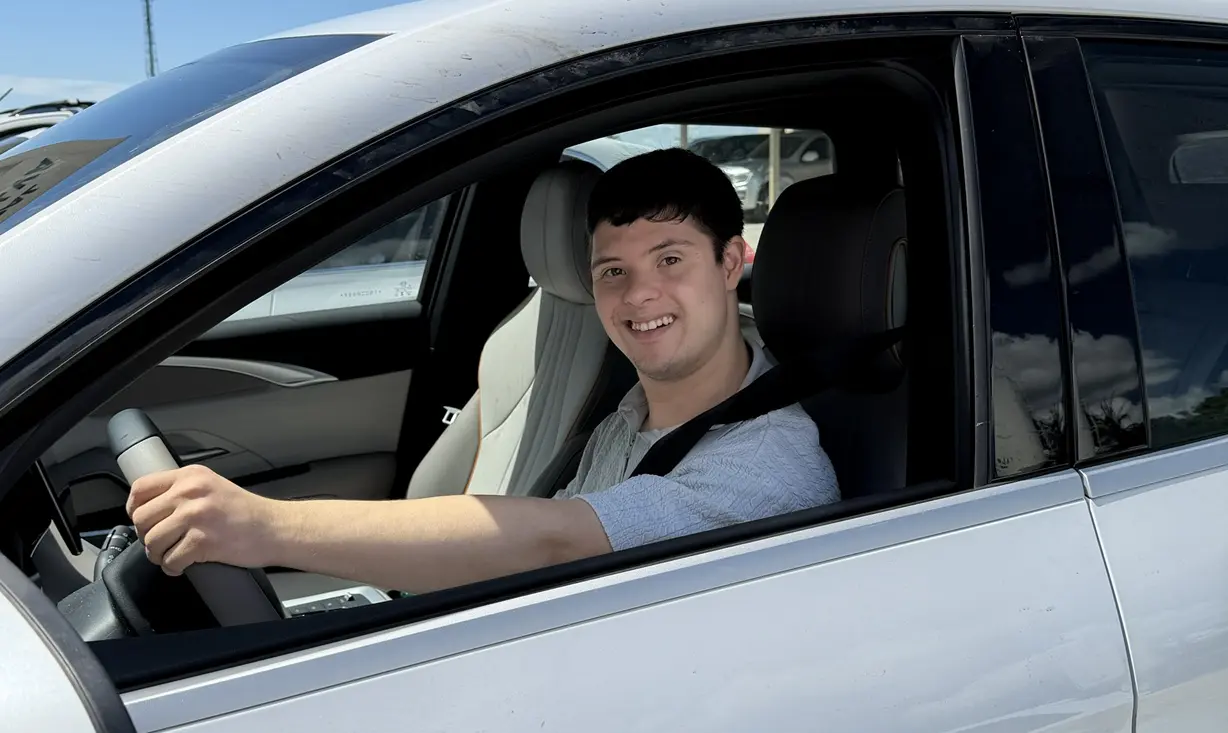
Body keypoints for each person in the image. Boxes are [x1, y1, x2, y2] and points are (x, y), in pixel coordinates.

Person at [125, 148, 840, 594]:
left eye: (671, 261)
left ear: (729, 264)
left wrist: (267, 525)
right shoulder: (635, 411)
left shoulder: (767, 468)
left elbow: (557, 538)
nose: (639, 294)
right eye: (612, 271)